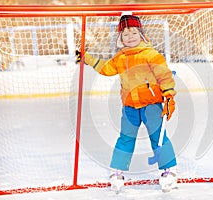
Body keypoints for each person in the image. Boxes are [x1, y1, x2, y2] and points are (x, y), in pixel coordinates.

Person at [76, 15, 177, 191]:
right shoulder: (120, 57)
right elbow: (106, 69)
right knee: (125, 139)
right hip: (130, 107)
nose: (130, 36)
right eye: (125, 34)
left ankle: (168, 170)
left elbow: (165, 76)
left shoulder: (151, 54)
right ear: (120, 39)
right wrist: (88, 58)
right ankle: (118, 171)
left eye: (133, 32)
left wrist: (168, 96)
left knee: (158, 138)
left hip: (151, 105)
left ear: (141, 34)